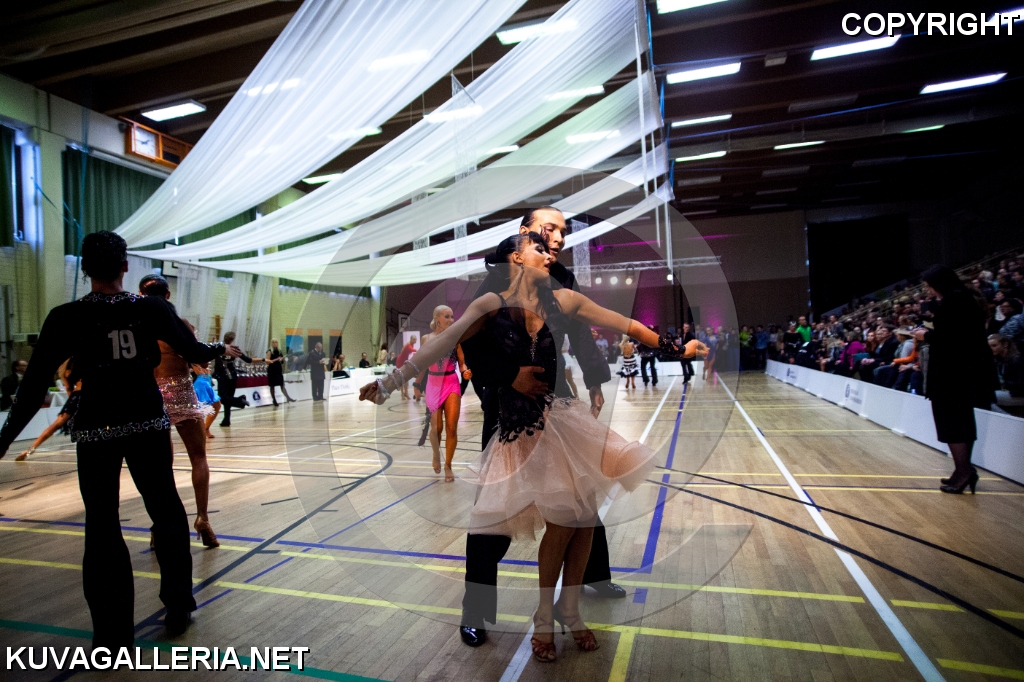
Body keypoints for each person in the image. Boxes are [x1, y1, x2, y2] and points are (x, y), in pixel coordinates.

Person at [359, 232, 707, 662]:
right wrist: (391, 382)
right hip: (513, 427)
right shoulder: (490, 304)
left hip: (561, 421)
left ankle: (566, 609)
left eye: (549, 247)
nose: (549, 253)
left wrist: (678, 349)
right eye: (539, 247)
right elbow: (445, 342)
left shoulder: (563, 300)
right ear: (515, 257)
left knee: (581, 518)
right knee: (491, 528)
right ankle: (487, 612)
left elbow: (626, 324)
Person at [0, 231, 240, 648]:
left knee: (102, 524)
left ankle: (112, 633)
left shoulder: (66, 316)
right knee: (166, 511)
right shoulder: (151, 308)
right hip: (146, 423)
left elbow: (33, 386)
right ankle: (178, 604)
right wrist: (221, 347)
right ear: (125, 266)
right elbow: (196, 350)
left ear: (84, 269)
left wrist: (4, 438)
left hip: (96, 429)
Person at [453, 208, 616, 649]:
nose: (559, 237)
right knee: (493, 514)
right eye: (550, 229)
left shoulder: (560, 278)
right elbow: (469, 344)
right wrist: (509, 378)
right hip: (508, 405)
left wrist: (594, 379)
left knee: (581, 493)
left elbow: (579, 331)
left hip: (555, 397)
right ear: (524, 235)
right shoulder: (498, 279)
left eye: (563, 231)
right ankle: (475, 610)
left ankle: (592, 578)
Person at [139, 274, 220, 548]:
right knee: (198, 457)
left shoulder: (137, 327)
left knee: (161, 467)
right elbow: (196, 355)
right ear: (168, 295)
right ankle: (203, 519)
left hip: (152, 396)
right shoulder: (178, 324)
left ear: (141, 296)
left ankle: (158, 525)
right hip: (181, 391)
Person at [913, 265, 998, 494]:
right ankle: (963, 469)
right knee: (961, 420)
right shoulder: (963, 299)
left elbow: (954, 338)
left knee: (953, 422)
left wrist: (926, 334)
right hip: (962, 370)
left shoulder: (955, 301)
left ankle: (964, 471)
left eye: (929, 285)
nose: (928, 290)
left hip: (955, 373)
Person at [418, 305, 471, 482]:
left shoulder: (456, 338)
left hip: (451, 383)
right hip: (433, 384)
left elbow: (462, 363)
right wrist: (417, 383)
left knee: (451, 427)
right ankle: (436, 455)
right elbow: (422, 362)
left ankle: (448, 465)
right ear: (437, 319)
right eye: (447, 317)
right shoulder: (426, 339)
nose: (451, 320)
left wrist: (465, 371)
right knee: (436, 429)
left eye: (452, 317)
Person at [16, 359, 80, 461]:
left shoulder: (66, 367)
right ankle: (29, 450)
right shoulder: (77, 362)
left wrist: (73, 403)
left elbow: (69, 388)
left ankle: (29, 450)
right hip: (86, 395)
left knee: (56, 425)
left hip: (77, 395)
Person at [213, 331, 254, 426]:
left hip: (223, 376)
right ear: (232, 340)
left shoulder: (219, 348)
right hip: (233, 376)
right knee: (228, 398)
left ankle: (240, 401)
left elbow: (215, 361)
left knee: (223, 398)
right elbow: (247, 360)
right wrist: (263, 359)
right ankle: (226, 420)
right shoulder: (235, 349)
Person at [192, 362, 221, 438]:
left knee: (217, 405)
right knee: (198, 409)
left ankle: (206, 428)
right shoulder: (193, 364)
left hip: (207, 386)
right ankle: (198, 430)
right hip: (198, 387)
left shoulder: (206, 367)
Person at [265, 338, 296, 406]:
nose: (274, 343)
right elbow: (267, 361)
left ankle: (288, 397)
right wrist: (276, 359)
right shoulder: (269, 351)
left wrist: (282, 359)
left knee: (282, 385)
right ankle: (274, 400)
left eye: (276, 342)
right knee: (272, 386)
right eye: (273, 342)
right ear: (271, 343)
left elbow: (282, 361)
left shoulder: (279, 351)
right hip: (272, 371)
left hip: (278, 370)